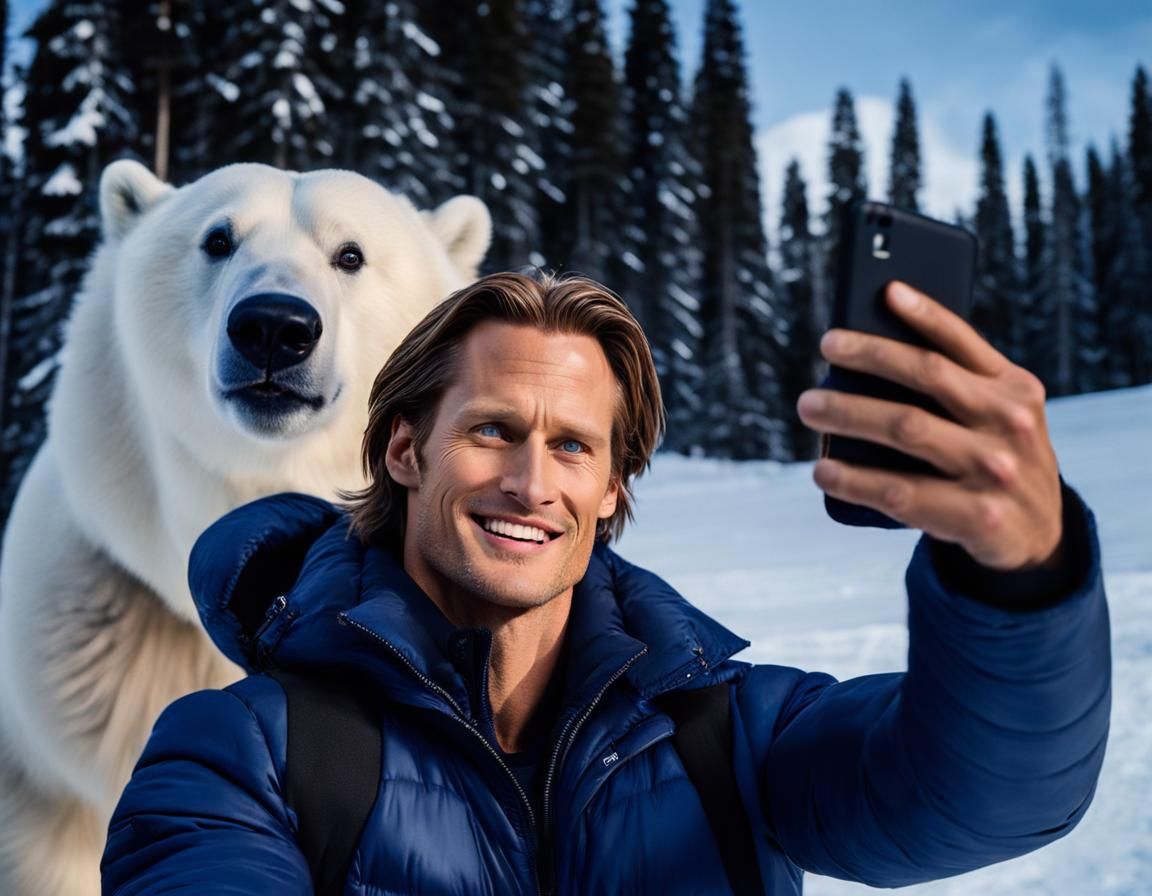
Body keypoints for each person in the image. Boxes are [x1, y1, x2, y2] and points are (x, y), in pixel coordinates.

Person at [101, 271, 1109, 895]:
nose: (533, 482)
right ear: (406, 448)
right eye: (492, 428)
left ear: (613, 486)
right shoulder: (241, 753)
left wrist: (1024, 571)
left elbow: (987, 794)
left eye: (573, 444)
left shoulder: (737, 733)